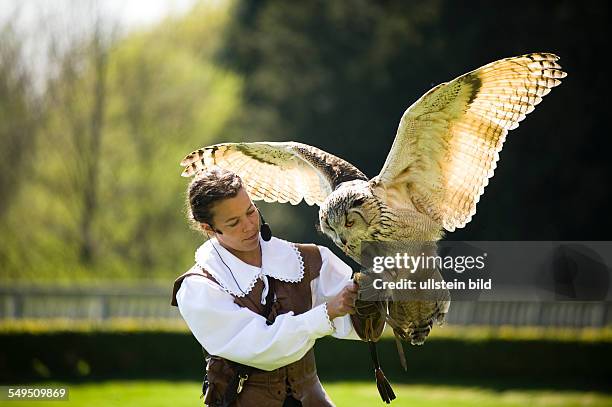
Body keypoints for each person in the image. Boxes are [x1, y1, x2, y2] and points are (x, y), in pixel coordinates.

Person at [171, 167, 362, 407]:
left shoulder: (307, 259)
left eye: (251, 211)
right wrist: (327, 313)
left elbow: (357, 320)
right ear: (208, 228)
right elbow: (262, 347)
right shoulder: (199, 288)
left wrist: (381, 289)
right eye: (233, 222)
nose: (250, 225)